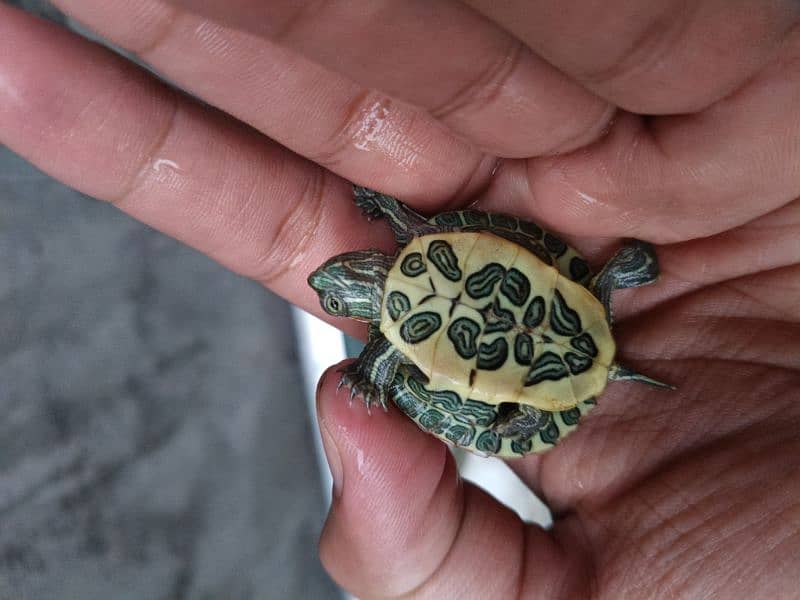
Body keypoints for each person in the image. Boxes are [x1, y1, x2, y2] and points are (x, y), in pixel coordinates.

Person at [1, 1, 797, 597]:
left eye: (340, 283)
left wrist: (373, 373)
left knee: (419, 375)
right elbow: (462, 253)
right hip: (545, 314)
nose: (331, 284)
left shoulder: (393, 305)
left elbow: (404, 341)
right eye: (340, 283)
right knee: (527, 312)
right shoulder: (414, 252)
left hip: (534, 340)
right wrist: (386, 242)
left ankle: (607, 286)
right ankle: (612, 283)